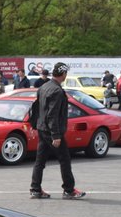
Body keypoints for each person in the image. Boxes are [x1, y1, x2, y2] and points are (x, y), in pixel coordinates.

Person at [29, 62, 85, 200]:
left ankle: (35, 189)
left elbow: (36, 108)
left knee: (40, 161)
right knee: (64, 159)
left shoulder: (44, 86)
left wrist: (36, 125)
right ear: (64, 74)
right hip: (51, 131)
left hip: (42, 128)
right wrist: (56, 135)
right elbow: (52, 115)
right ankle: (69, 190)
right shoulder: (57, 91)